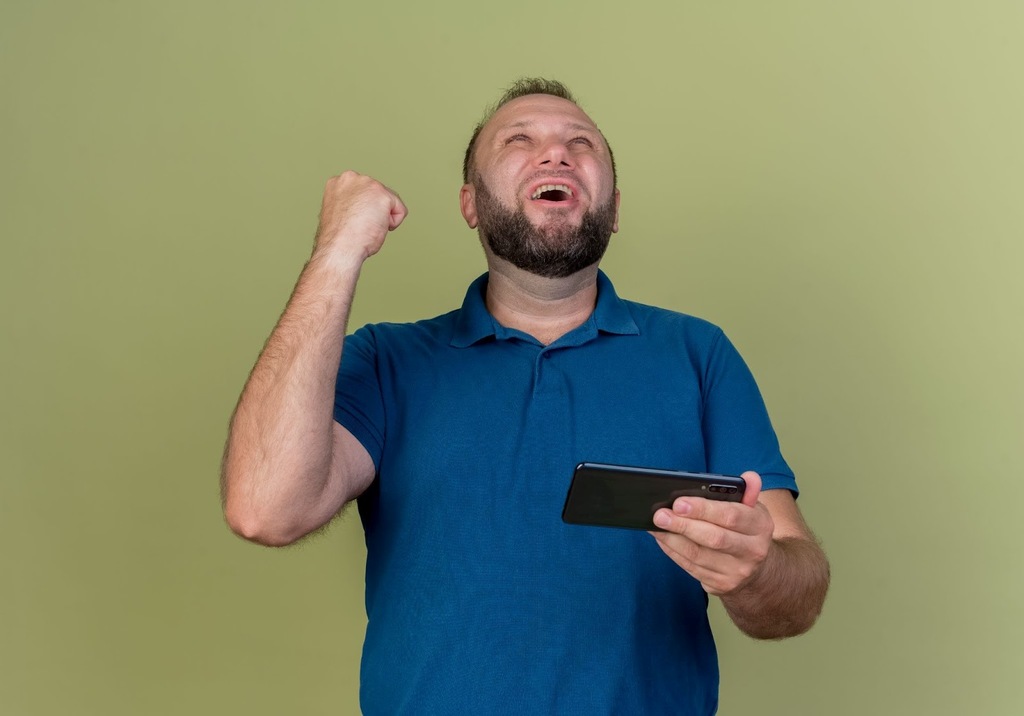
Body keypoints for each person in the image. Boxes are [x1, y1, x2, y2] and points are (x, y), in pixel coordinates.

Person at [221, 78, 830, 715]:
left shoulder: (698, 355)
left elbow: (795, 597)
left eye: (580, 144)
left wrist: (756, 572)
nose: (556, 155)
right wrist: (336, 252)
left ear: (614, 209)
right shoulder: (386, 361)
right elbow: (265, 509)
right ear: (471, 204)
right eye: (520, 140)